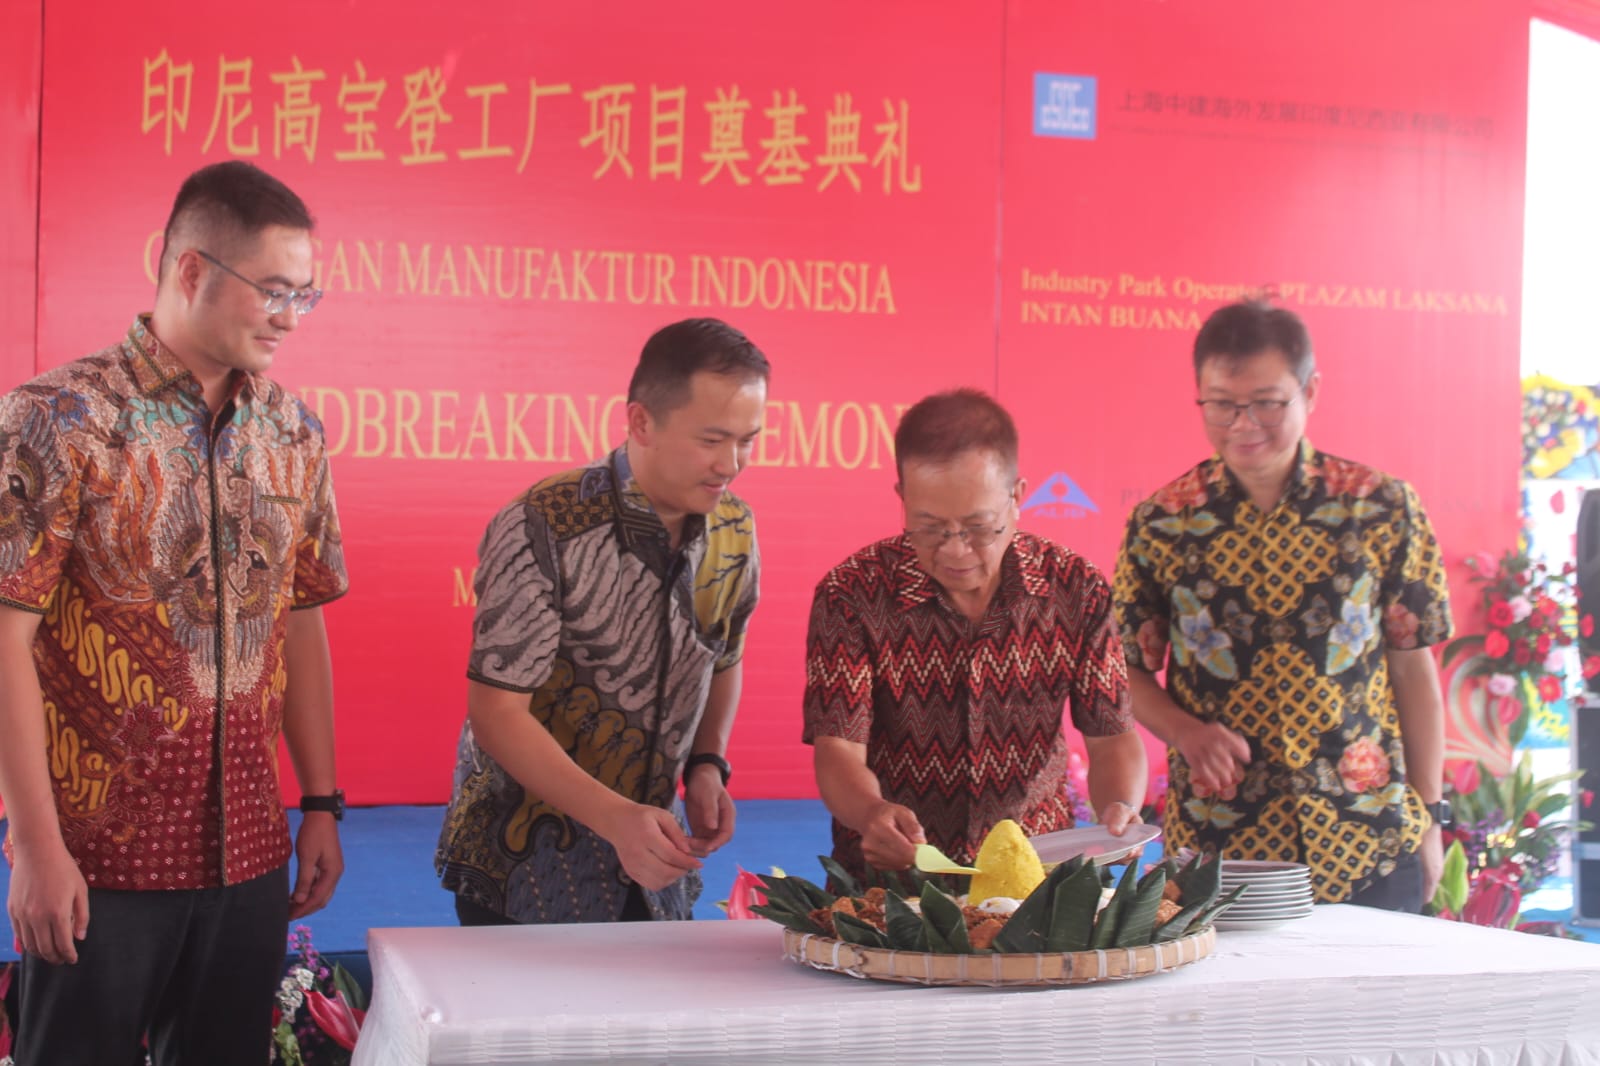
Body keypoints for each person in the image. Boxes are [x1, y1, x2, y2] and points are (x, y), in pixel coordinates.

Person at [0, 161, 348, 1063]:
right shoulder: (58, 419)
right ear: (191, 270)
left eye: (304, 296)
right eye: (274, 290)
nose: (289, 316)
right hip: (97, 861)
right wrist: (34, 845)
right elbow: (4, 640)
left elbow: (300, 621)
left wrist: (319, 802)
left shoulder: (294, 432)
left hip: (249, 856)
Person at [1113, 299, 1451, 911]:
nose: (1244, 423)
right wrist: (1185, 731)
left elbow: (1413, 669)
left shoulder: (1381, 507)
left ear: (1309, 390)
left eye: (1267, 402)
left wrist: (1430, 816)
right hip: (1221, 846)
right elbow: (1123, 671)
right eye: (1222, 404)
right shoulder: (1162, 523)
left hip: (1368, 839)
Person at [435, 318, 768, 924]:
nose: (731, 463)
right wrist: (616, 819)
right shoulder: (543, 522)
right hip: (524, 866)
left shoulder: (734, 528)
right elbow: (497, 712)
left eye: (748, 440)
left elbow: (723, 657)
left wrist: (707, 764)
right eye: (712, 440)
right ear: (641, 422)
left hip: (658, 863)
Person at [803, 388, 1147, 882]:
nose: (955, 550)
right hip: (894, 877)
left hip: (1035, 873)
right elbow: (838, 748)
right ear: (903, 497)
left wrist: (1120, 807)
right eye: (929, 527)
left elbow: (1112, 735)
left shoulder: (1076, 589)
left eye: (979, 527)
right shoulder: (852, 594)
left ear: (1018, 497)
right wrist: (871, 813)